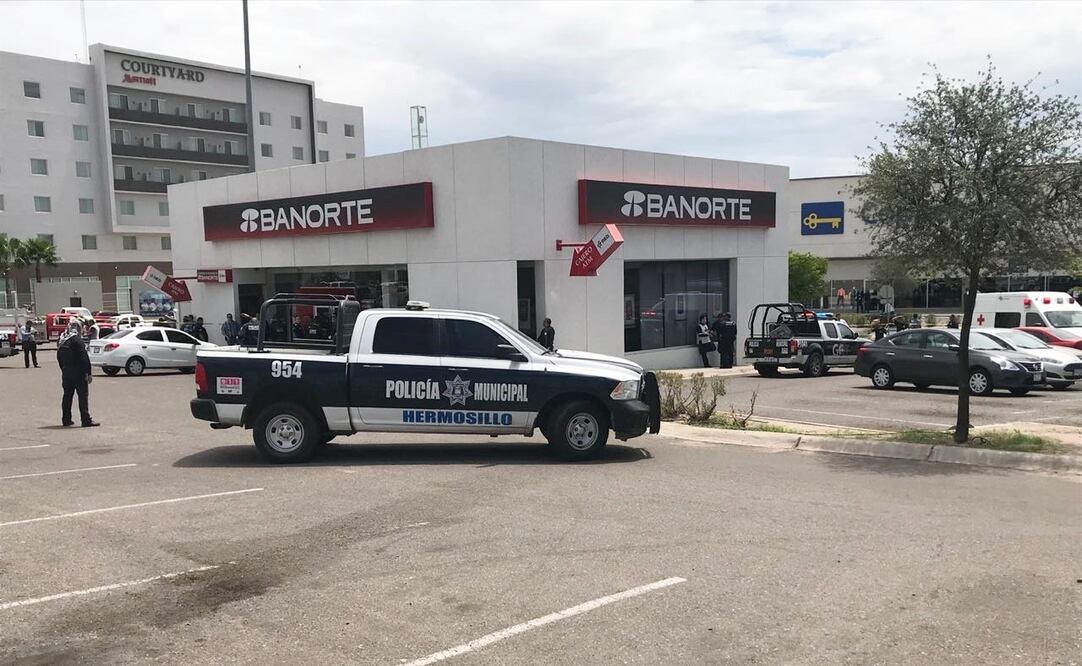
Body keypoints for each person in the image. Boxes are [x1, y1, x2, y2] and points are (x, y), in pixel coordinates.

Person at [56, 322, 98, 427]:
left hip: (66, 372)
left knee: (67, 396)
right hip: (78, 372)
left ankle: (66, 419)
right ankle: (85, 420)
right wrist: (88, 372)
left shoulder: (62, 341)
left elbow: (59, 357)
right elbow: (84, 357)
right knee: (82, 396)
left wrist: (64, 369)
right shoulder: (77, 340)